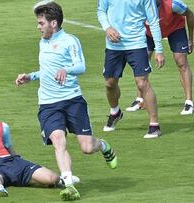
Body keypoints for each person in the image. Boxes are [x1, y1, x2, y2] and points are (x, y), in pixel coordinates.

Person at [15, 1, 117, 201]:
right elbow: (46, 69)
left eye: (41, 23)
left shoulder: (70, 41)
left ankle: (104, 146)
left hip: (72, 101)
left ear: (53, 23)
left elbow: (81, 66)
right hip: (48, 104)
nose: (38, 27)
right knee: (58, 141)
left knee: (87, 147)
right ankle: (69, 185)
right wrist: (31, 76)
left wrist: (66, 70)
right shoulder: (42, 41)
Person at [0, 88, 80, 198]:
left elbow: (10, 150)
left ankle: (61, 180)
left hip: (12, 161)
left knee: (51, 178)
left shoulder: (3, 126)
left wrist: (22, 162)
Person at [97, 0, 166, 138]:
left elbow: (153, 20)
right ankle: (115, 112)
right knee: (110, 84)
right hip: (114, 46)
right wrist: (107, 27)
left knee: (142, 82)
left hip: (137, 43)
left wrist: (159, 49)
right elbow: (101, 11)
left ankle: (154, 125)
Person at [125, 0, 194, 115]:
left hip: (174, 28)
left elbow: (190, 14)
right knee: (142, 60)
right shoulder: (139, 5)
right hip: (149, 32)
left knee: (181, 61)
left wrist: (191, 39)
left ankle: (189, 102)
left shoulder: (173, 4)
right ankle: (140, 100)